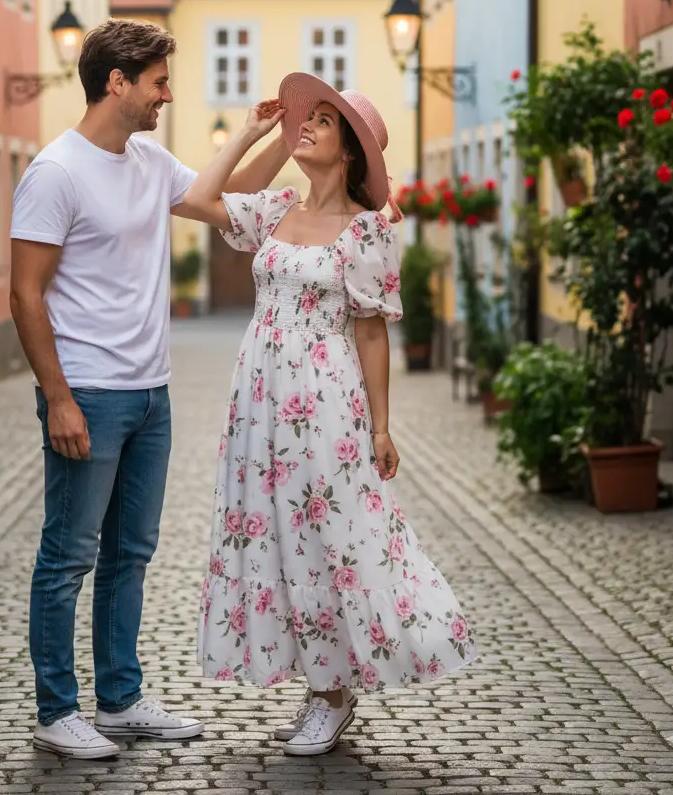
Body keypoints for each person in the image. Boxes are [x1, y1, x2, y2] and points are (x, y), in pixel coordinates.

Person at [9, 18, 288, 759]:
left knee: (132, 551)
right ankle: (55, 709)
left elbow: (223, 203)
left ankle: (122, 698)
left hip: (150, 393)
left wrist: (275, 138)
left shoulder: (145, 158)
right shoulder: (56, 171)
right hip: (89, 393)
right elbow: (26, 295)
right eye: (159, 83)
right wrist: (59, 397)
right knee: (69, 553)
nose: (168, 96)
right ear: (118, 82)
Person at [179, 72, 478, 757]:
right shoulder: (276, 209)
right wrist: (257, 135)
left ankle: (337, 694)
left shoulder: (366, 230)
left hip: (326, 402)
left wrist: (379, 425)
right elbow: (197, 200)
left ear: (350, 150)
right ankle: (320, 684)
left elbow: (372, 331)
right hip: (259, 403)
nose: (306, 126)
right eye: (305, 118)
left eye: (324, 121)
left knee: (333, 539)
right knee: (278, 541)